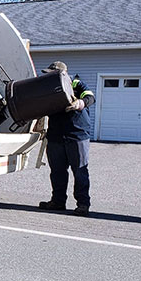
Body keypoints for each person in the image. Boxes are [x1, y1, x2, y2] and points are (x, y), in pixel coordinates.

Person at [38, 61, 95, 216]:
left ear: (62, 74)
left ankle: (83, 204)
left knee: (80, 171)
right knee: (57, 172)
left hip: (77, 135)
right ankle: (57, 202)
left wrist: (79, 103)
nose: (48, 76)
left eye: (52, 73)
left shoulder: (76, 84)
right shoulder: (48, 88)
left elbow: (90, 97)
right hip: (56, 135)